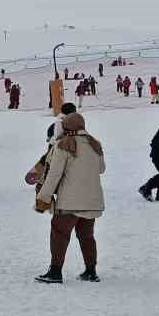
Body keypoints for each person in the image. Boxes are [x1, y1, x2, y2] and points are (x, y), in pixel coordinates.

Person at [33, 112, 105, 283]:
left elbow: (54, 175)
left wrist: (43, 198)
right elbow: (101, 169)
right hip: (92, 201)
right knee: (87, 236)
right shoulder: (95, 144)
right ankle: (91, 271)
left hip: (70, 202)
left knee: (59, 233)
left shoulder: (63, 145)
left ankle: (55, 272)